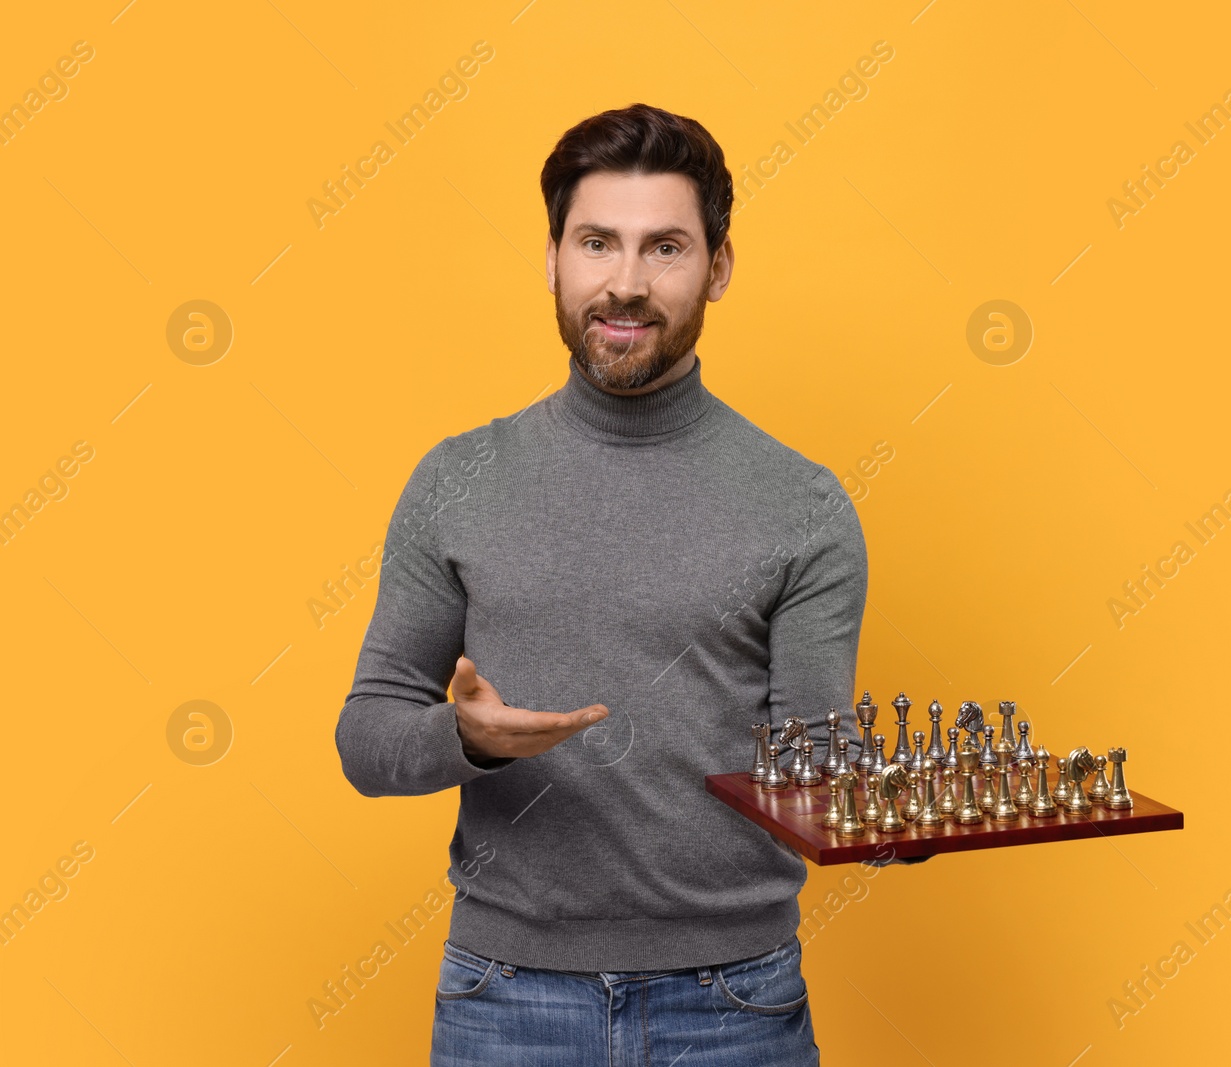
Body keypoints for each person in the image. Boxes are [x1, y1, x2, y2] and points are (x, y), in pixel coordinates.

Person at [335, 102, 884, 1066]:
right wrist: (466, 738)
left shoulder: (805, 506)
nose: (625, 285)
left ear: (717, 266)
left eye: (665, 248)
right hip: (504, 999)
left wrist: (885, 820)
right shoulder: (456, 478)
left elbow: (817, 776)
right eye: (597, 243)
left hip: (734, 1005)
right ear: (553, 257)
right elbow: (366, 739)